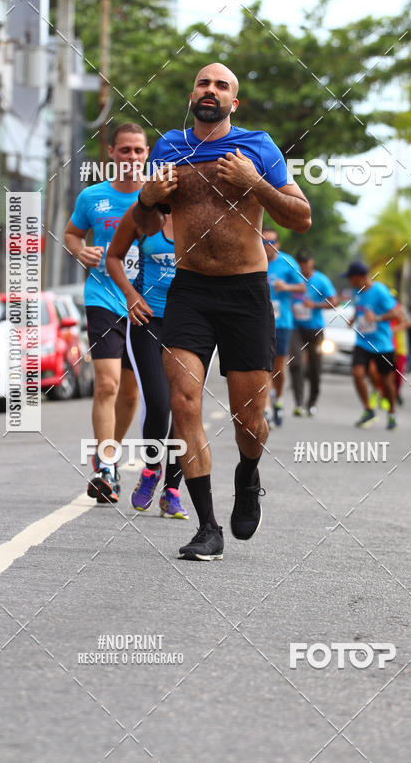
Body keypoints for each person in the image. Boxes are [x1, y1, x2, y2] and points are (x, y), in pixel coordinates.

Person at [131, 62, 311, 561]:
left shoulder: (258, 147)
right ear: (193, 94)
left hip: (246, 294)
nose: (210, 90)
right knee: (184, 400)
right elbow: (146, 225)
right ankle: (207, 527)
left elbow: (301, 217)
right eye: (203, 83)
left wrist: (254, 183)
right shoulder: (167, 146)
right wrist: (147, 198)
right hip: (189, 291)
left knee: (248, 418)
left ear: (236, 102)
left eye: (222, 85)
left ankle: (248, 475)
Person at [64, 123, 147, 503]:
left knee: (131, 393)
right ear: (111, 153)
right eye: (124, 150)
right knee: (108, 384)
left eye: (138, 151)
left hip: (146, 302)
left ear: (146, 155)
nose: (131, 158)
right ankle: (105, 468)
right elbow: (71, 233)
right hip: (103, 296)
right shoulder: (92, 196)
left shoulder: (157, 196)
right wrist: (80, 251)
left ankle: (108, 453)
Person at [106, 212, 189, 519]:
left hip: (189, 324)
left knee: (185, 406)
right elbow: (113, 256)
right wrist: (130, 295)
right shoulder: (142, 214)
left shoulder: (199, 216)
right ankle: (152, 469)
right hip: (147, 321)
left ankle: (172, 490)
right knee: (159, 402)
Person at [342, 260, 402, 431]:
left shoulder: (380, 291)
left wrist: (376, 318)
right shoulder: (356, 290)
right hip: (362, 341)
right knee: (357, 373)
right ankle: (368, 410)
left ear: (360, 278)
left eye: (351, 278)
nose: (349, 282)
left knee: (387, 381)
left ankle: (392, 412)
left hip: (382, 344)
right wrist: (353, 318)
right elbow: (359, 307)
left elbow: (395, 313)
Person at [262, 227, 305, 426]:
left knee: (278, 368)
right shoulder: (255, 259)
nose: (267, 246)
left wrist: (285, 286)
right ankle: (266, 409)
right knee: (262, 367)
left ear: (277, 244)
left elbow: (303, 286)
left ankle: (277, 401)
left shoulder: (288, 262)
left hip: (282, 323)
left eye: (271, 242)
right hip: (259, 322)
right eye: (263, 242)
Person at [289, 250, 337, 416]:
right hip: (295, 327)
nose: (303, 266)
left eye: (305, 262)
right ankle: (299, 402)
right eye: (300, 263)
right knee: (296, 364)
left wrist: (315, 305)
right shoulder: (293, 278)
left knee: (314, 366)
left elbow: (334, 302)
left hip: (314, 328)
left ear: (311, 262)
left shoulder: (321, 280)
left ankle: (312, 402)